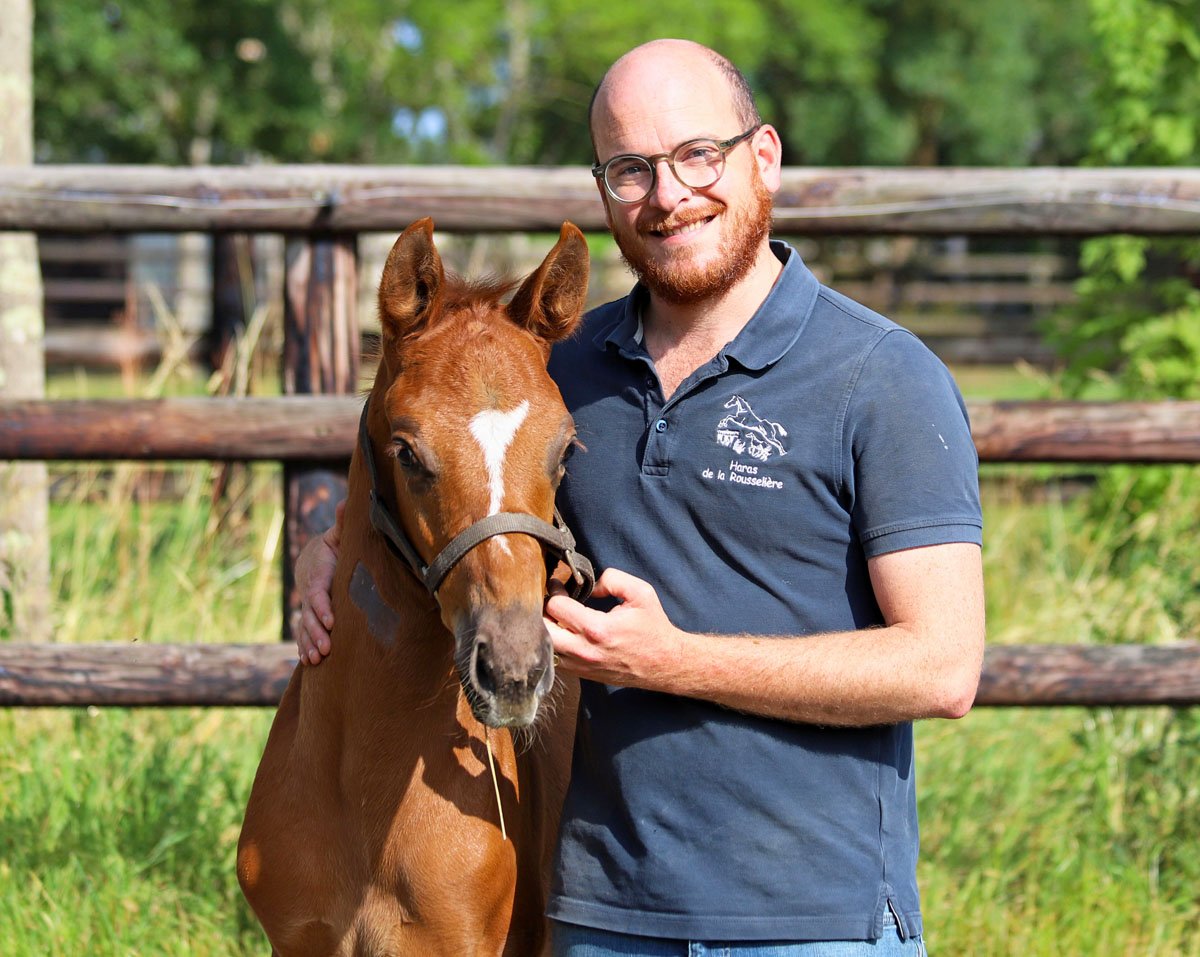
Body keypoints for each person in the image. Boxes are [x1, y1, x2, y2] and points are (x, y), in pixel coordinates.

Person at [294, 38, 984, 956]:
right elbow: (445, 475)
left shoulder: (881, 376)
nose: (668, 195)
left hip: (814, 921)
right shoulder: (556, 374)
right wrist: (334, 554)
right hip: (599, 917)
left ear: (764, 155)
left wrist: (675, 659)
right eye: (630, 169)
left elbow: (942, 667)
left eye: (699, 154)